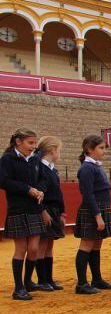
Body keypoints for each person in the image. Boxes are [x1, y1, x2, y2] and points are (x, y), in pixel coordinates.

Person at [0, 128, 45, 300]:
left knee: (33, 249)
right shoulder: (7, 159)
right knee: (21, 249)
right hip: (18, 208)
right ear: (18, 142)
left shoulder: (34, 160)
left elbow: (42, 178)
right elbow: (3, 181)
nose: (33, 147)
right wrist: (27, 189)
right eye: (30, 143)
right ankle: (18, 288)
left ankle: (27, 282)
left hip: (34, 208)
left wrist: (40, 190)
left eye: (35, 143)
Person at [74, 135, 111, 294]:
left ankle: (97, 279)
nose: (104, 151)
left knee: (97, 244)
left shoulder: (95, 166)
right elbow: (88, 195)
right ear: (89, 149)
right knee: (86, 245)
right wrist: (97, 215)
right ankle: (81, 284)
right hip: (93, 210)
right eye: (101, 148)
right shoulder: (87, 168)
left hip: (99, 208)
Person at [34, 136, 66, 291]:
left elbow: (58, 193)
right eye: (59, 150)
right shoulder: (40, 168)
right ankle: (42, 280)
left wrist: (62, 212)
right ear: (53, 150)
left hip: (53, 209)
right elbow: (40, 192)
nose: (59, 153)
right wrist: (43, 211)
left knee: (49, 244)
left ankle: (49, 279)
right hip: (45, 208)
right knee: (43, 244)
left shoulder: (52, 169)